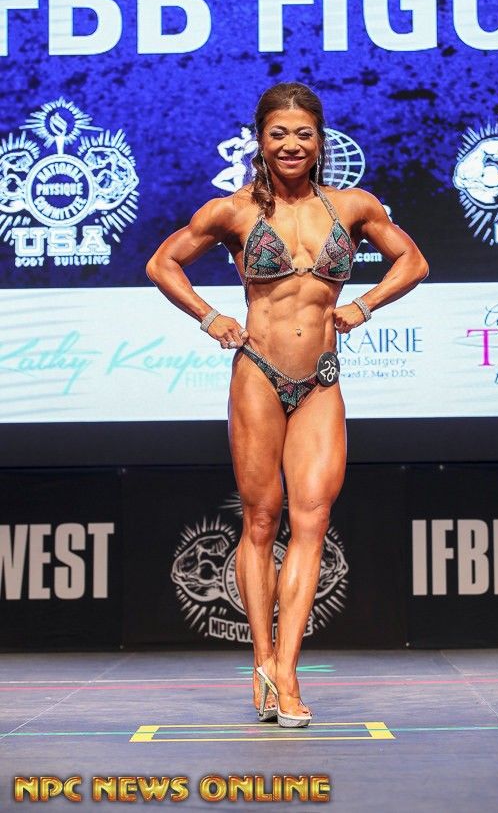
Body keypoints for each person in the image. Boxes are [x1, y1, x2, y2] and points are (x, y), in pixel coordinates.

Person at [146, 82, 429, 728]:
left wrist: (363, 304)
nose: (292, 145)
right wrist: (209, 317)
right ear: (261, 141)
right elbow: (163, 264)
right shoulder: (233, 211)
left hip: (321, 379)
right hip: (259, 374)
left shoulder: (353, 206)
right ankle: (262, 661)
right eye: (279, 134)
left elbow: (412, 262)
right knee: (260, 520)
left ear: (320, 141)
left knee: (312, 518)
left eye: (303, 134)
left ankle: (289, 671)